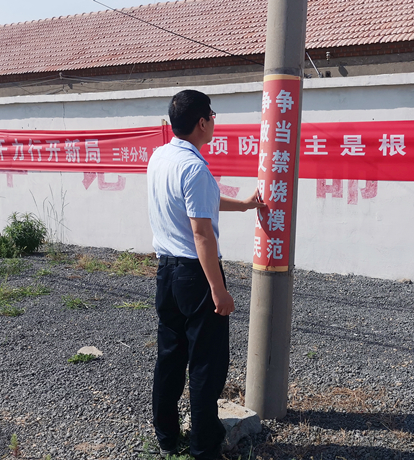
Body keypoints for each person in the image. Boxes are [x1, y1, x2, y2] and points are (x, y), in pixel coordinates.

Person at [147, 89, 264, 460]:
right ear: (201, 122)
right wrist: (218, 289)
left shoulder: (160, 156)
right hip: (195, 276)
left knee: (170, 357)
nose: (214, 122)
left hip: (166, 273)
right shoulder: (194, 167)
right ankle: (204, 447)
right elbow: (201, 233)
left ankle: (166, 436)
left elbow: (198, 205)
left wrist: (244, 205)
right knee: (205, 365)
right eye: (212, 116)